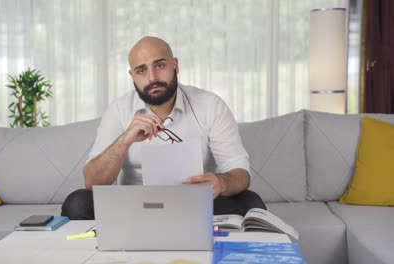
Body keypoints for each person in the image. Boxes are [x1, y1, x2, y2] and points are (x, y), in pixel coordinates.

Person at [61, 36, 266, 220]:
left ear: (175, 65)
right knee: (77, 203)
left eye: (159, 66)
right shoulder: (119, 110)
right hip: (135, 205)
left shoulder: (210, 105)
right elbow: (92, 182)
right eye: (142, 70)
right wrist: (125, 140)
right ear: (132, 75)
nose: (152, 78)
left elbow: (240, 174)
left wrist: (221, 183)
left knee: (251, 203)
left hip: (195, 203)